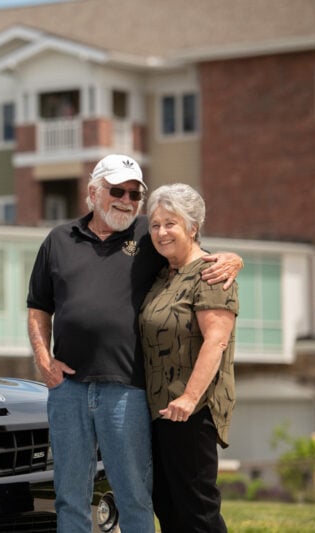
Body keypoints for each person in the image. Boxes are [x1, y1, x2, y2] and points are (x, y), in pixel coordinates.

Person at [26, 154, 242, 533]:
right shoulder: (58, 239)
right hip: (68, 388)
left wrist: (234, 259)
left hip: (127, 391)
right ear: (92, 192)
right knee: (70, 496)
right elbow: (38, 307)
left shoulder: (148, 234)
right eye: (117, 190)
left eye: (134, 193)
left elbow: (191, 251)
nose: (126, 200)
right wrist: (44, 360)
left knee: (136, 496)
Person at [139, 183, 238, 532]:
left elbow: (216, 340)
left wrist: (190, 397)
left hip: (192, 412)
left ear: (193, 227)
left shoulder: (210, 273)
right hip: (160, 410)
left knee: (197, 510)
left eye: (171, 223)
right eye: (155, 224)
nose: (161, 232)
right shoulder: (163, 274)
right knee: (168, 506)